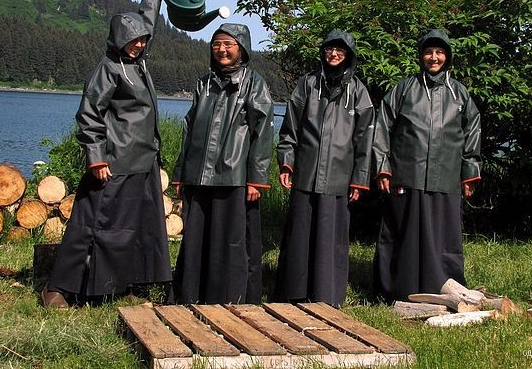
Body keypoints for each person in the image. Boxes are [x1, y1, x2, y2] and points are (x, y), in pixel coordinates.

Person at [41, 0, 172, 308]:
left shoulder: (136, 62)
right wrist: (96, 157)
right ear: (118, 39)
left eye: (142, 40)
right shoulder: (109, 68)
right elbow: (89, 114)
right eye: (132, 40)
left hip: (143, 161)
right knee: (89, 225)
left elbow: (145, 26)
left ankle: (125, 283)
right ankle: (59, 289)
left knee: (134, 227)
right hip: (113, 162)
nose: (138, 45)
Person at [372, 29, 482, 303]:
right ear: (421, 56)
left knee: (443, 237)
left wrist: (470, 171)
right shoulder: (404, 89)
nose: (434, 57)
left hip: (446, 177)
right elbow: (382, 126)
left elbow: (473, 131)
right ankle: (397, 290)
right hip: (407, 175)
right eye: (429, 52)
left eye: (440, 52)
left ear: (447, 56)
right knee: (403, 235)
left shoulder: (459, 94)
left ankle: (444, 287)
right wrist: (382, 165)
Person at [171, 23, 274, 305]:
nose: (222, 50)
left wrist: (256, 179)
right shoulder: (204, 83)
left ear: (242, 49)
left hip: (234, 175)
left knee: (231, 241)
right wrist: (181, 173)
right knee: (196, 238)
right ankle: (191, 295)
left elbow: (263, 133)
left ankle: (229, 298)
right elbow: (189, 128)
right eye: (216, 44)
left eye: (228, 44)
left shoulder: (254, 84)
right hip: (198, 175)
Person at [274, 29, 375, 307]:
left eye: (340, 50)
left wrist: (360, 178)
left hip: (338, 177)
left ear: (349, 55)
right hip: (305, 174)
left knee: (330, 239)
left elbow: (365, 138)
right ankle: (292, 293)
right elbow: (290, 128)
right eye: (330, 48)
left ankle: (326, 296)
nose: (334, 54)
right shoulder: (307, 84)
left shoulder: (358, 92)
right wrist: (286, 161)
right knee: (299, 236)